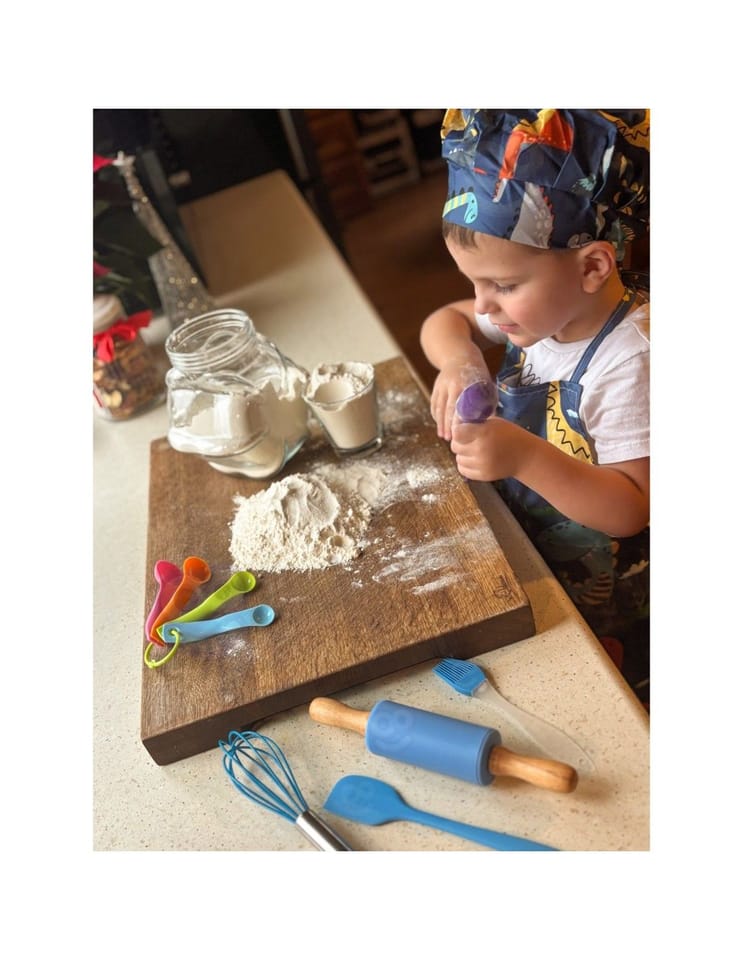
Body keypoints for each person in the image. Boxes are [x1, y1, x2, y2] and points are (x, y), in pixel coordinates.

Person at [420, 109, 650, 705]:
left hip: (613, 596)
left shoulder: (629, 362)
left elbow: (631, 507)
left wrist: (522, 456)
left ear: (592, 266)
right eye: (474, 284)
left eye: (502, 285)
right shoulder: (542, 314)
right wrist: (459, 361)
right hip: (539, 554)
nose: (484, 306)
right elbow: (442, 322)